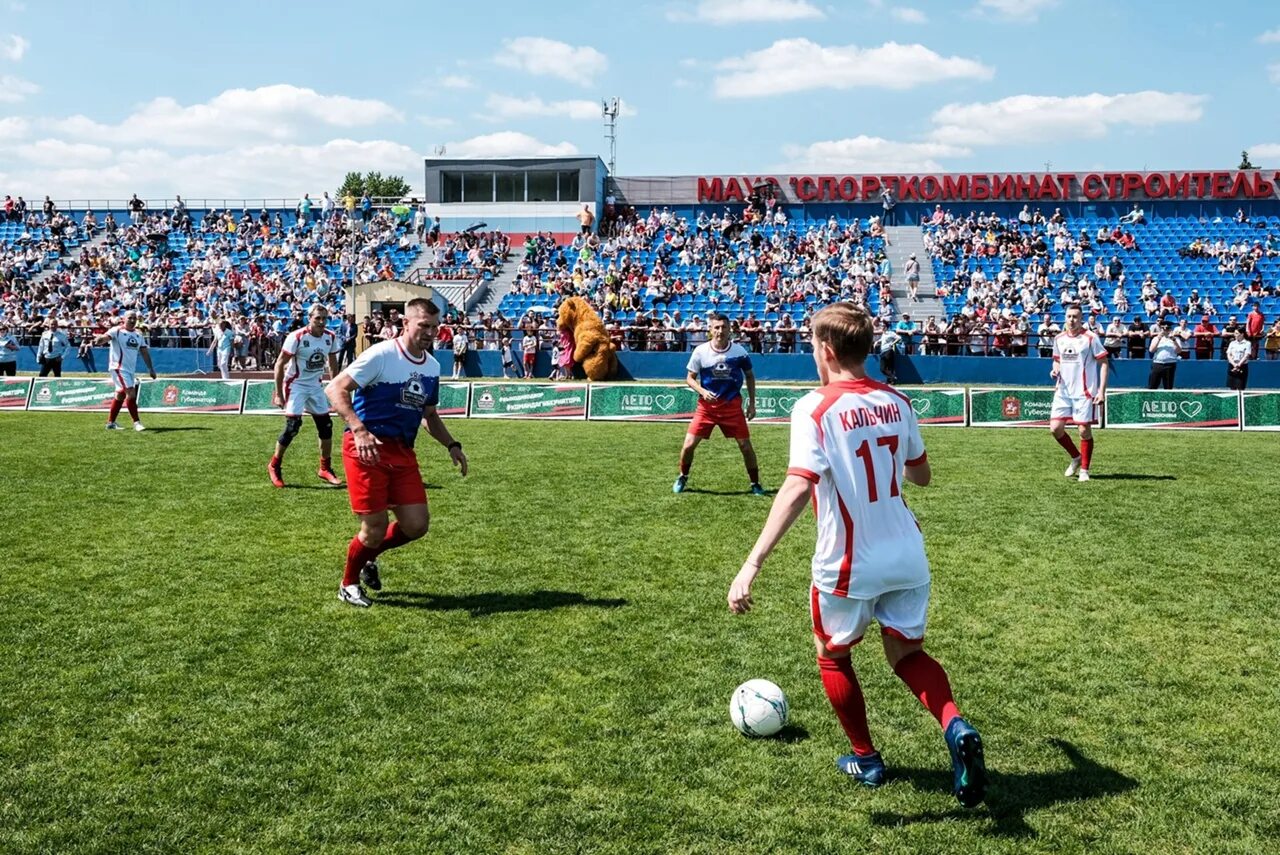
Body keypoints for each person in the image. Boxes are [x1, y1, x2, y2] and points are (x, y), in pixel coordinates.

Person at [727, 302, 986, 808]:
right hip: (907, 554)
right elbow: (922, 475)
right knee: (906, 654)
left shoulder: (814, 407)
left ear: (825, 350)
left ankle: (865, 758)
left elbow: (799, 486)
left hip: (848, 560)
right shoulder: (899, 401)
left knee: (833, 653)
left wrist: (752, 562)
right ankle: (955, 725)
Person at [325, 298, 468, 607]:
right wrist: (358, 430)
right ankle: (348, 584)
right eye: (423, 326)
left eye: (434, 326)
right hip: (367, 449)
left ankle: (368, 557)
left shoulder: (431, 365)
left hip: (402, 451)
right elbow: (335, 389)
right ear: (406, 323)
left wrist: (452, 445)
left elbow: (428, 415)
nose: (430, 332)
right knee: (373, 527)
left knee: (416, 525)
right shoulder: (381, 354)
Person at [673, 312, 763, 496]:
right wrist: (703, 392)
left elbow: (750, 376)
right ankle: (683, 476)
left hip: (732, 406)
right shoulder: (700, 351)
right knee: (688, 445)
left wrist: (752, 403)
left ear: (730, 329)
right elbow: (689, 378)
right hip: (707, 408)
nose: (720, 331)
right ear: (710, 330)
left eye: (724, 327)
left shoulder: (739, 352)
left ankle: (755, 483)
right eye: (717, 327)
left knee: (745, 446)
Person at [269, 305, 343, 488]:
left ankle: (325, 468)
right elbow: (279, 365)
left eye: (324, 318)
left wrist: (336, 390)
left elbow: (333, 366)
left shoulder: (330, 337)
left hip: (315, 386)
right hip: (296, 385)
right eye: (317, 318)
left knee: (326, 427)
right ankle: (274, 465)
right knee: (293, 426)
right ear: (309, 318)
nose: (321, 322)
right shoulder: (296, 337)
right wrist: (279, 393)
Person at [1049, 305, 1109, 483]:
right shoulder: (1059, 338)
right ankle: (1075, 457)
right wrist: (1055, 371)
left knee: (1083, 430)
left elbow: (1104, 363)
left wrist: (1101, 391)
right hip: (1063, 391)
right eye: (1069, 316)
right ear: (1065, 318)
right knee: (1055, 429)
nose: (1071, 320)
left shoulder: (1090, 338)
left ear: (1081, 318)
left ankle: (1084, 469)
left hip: (1084, 392)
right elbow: (1057, 361)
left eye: (1075, 316)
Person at [95, 311, 156, 431]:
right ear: (123, 319)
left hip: (129, 370)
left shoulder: (138, 334)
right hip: (118, 368)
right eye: (130, 318)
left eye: (134, 318)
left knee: (120, 395)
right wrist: (99, 339)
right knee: (131, 392)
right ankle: (136, 422)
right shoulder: (116, 330)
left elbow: (144, 352)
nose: (132, 320)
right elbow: (105, 338)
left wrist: (150, 368)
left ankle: (111, 423)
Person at [1147, 322, 1181, 389]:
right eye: (1163, 328)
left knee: (1168, 386)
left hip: (1170, 364)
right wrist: (1159, 338)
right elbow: (1151, 350)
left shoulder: (1176, 339)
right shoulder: (1156, 338)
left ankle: (1168, 399)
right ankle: (1149, 398)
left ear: (1170, 329)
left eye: (1167, 328)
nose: (1165, 330)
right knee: (1152, 384)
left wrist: (1173, 340)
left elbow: (1179, 351)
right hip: (1158, 363)